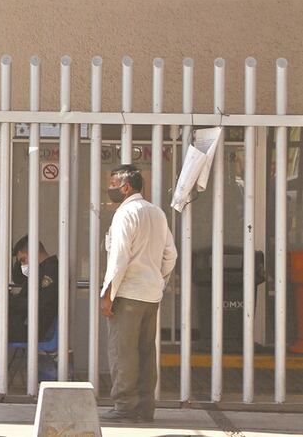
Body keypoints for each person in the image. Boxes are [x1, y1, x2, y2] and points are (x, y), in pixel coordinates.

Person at [100, 164, 177, 423]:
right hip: (151, 295)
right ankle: (145, 408)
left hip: (127, 294)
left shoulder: (125, 214)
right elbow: (171, 254)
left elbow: (119, 258)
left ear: (126, 187)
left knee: (123, 353)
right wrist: (157, 279)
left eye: (113, 184)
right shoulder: (156, 212)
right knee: (145, 352)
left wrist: (108, 295)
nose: (109, 188)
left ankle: (125, 407)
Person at [0, 236, 58, 392]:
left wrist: (8, 300)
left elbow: (37, 305)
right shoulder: (39, 270)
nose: (23, 265)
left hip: (30, 327)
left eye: (23, 260)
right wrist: (19, 262)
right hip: (24, 323)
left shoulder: (50, 272)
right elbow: (18, 278)